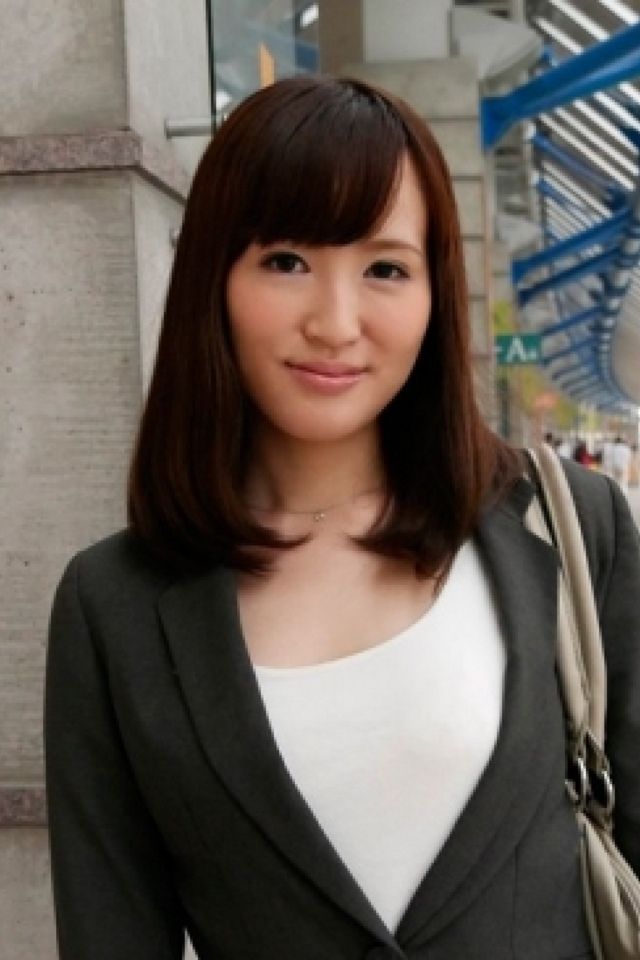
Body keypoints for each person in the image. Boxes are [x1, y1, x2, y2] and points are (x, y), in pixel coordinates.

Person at [45, 75, 640, 960]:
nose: (335, 322)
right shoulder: (115, 606)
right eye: (286, 261)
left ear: (435, 296)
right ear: (214, 278)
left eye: (385, 269)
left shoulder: (567, 528)